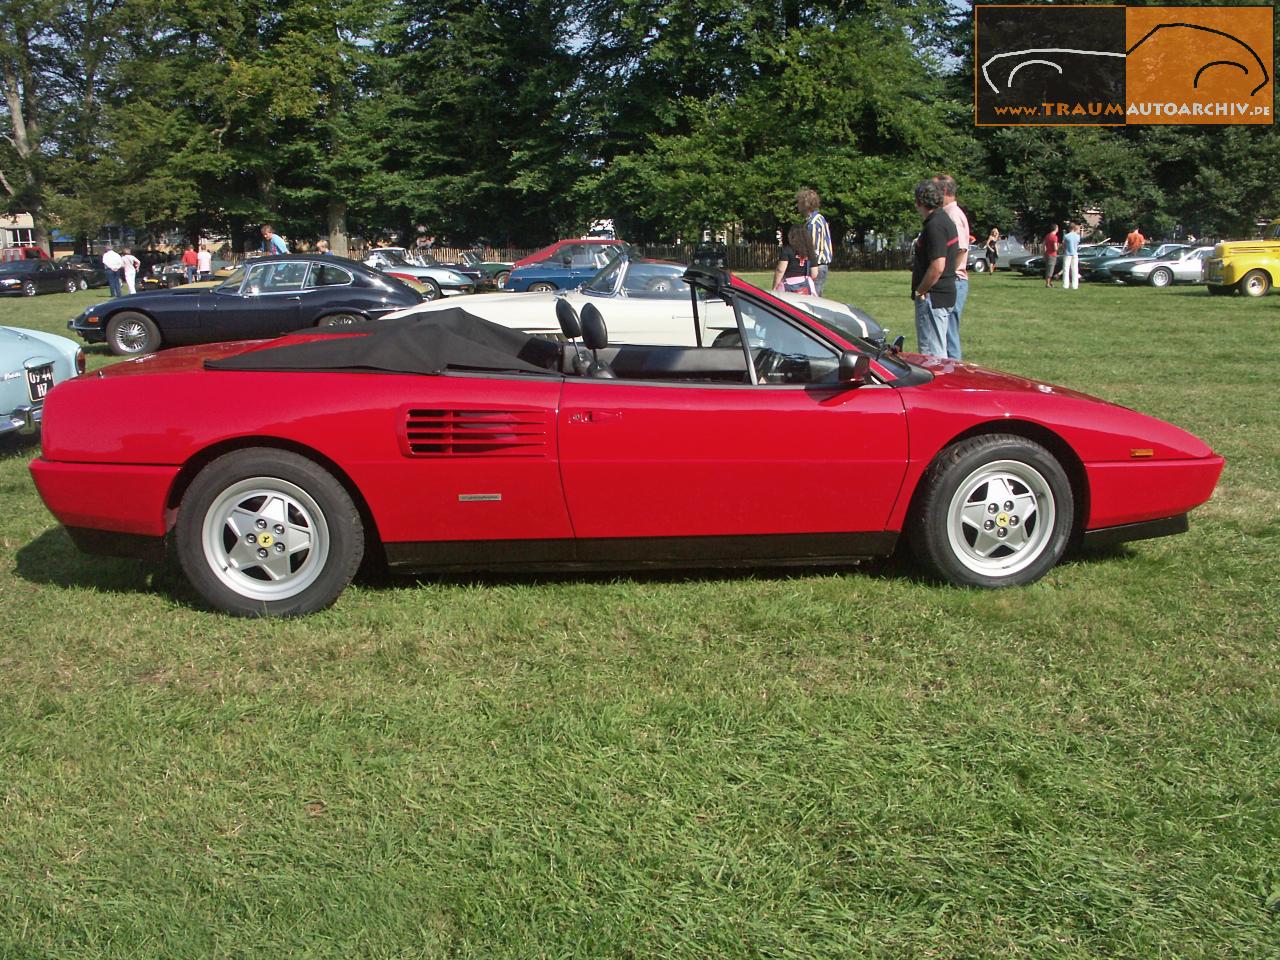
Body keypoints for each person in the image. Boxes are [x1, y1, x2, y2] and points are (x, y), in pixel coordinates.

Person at [910, 179, 958, 358]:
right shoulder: (943, 219)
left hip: (933, 297)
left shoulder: (935, 225)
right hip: (943, 295)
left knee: (932, 357)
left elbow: (938, 265)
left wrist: (920, 290)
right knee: (938, 351)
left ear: (919, 202)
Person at [934, 174, 969, 360]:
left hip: (955, 280)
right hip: (955, 280)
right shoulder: (949, 214)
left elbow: (961, 249)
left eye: (935, 189)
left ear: (945, 191)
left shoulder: (953, 216)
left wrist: (947, 274)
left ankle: (954, 374)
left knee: (949, 334)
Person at [796, 188, 832, 296]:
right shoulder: (821, 219)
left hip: (817, 265)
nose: (797, 205)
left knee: (813, 297)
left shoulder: (813, 223)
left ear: (805, 204)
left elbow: (812, 248)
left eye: (799, 202)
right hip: (821, 265)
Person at [772, 225, 817, 294]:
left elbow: (780, 270)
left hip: (788, 284)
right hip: (806, 285)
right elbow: (814, 274)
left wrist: (774, 287)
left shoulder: (787, 250)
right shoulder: (810, 251)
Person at [1060, 222, 1081, 290]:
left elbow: (1064, 245)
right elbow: (1077, 245)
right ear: (1074, 228)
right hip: (1075, 253)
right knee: (1075, 269)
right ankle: (1075, 285)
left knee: (1066, 269)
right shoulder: (1077, 236)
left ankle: (1066, 285)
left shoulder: (1066, 236)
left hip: (1067, 254)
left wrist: (1063, 251)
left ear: (1069, 228)